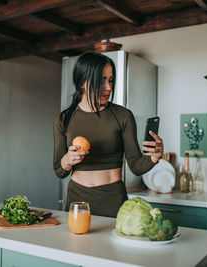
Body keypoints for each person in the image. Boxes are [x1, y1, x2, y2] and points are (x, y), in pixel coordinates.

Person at [53, 52, 163, 217]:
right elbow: (59, 170)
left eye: (110, 80)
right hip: (77, 200)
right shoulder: (63, 119)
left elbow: (136, 166)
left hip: (113, 199)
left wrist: (153, 158)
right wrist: (67, 160)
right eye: (101, 80)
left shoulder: (123, 116)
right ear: (83, 82)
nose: (108, 87)